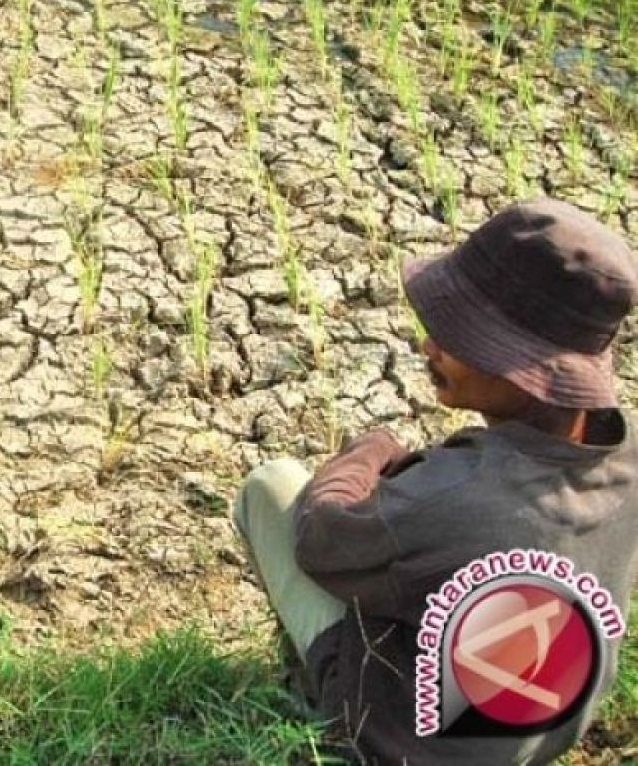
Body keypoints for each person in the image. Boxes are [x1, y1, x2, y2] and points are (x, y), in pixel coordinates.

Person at [231, 198, 638, 764]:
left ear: (524, 368)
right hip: (546, 727)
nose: (429, 345)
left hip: (411, 746)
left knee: (271, 488)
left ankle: (314, 693)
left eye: (457, 334)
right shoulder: (625, 455)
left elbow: (320, 536)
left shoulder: (454, 496)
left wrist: (368, 453)